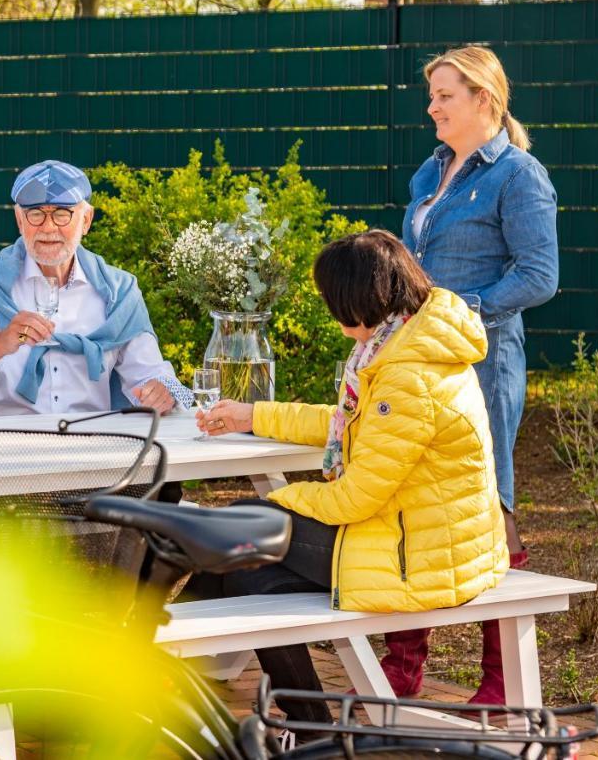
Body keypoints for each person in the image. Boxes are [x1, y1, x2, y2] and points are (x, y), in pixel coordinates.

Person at [194, 229, 509, 727]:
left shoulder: (407, 376)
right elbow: (351, 422)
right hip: (429, 540)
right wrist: (253, 415)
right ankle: (301, 721)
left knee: (236, 537)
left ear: (359, 299)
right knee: (245, 559)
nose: (328, 308)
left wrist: (283, 503)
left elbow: (355, 499)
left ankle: (152, 677)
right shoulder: (409, 343)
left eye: (330, 299)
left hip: (417, 557)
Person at [391, 45, 558, 705]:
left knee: (491, 505)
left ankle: (501, 681)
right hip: (415, 361)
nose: (431, 107)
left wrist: (460, 313)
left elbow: (539, 276)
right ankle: (400, 672)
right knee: (409, 499)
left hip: (481, 362)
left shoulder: (519, 175)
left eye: (444, 96)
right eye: (432, 95)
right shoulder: (428, 174)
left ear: (483, 99)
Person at [0, 159, 191, 417]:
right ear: (19, 220)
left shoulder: (118, 292)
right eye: (36, 214)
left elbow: (153, 375)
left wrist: (164, 391)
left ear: (86, 220)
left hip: (90, 441)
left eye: (62, 214)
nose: (48, 227)